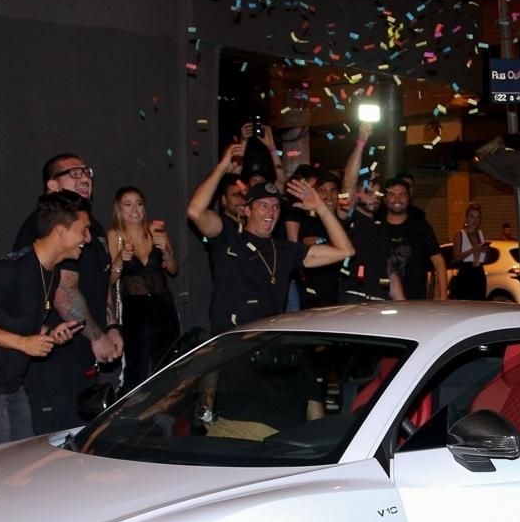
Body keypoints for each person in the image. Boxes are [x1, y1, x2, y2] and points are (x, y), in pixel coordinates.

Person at [0, 191, 88, 445]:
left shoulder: (50, 273)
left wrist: (49, 333)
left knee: (20, 464)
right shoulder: (9, 269)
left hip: (11, 385)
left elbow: (15, 319)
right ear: (60, 231)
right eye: (83, 230)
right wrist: (24, 344)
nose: (86, 238)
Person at [187, 142, 355, 333]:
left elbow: (346, 251)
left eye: (275, 207)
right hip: (230, 342)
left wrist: (320, 208)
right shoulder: (229, 237)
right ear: (248, 210)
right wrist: (222, 168)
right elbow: (195, 211)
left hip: (266, 343)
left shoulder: (284, 250)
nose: (271, 212)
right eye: (263, 205)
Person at [12, 153, 120, 432]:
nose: (84, 177)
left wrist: (111, 327)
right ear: (52, 185)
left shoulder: (91, 228)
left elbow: (103, 280)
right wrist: (97, 336)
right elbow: (63, 290)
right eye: (73, 173)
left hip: (83, 355)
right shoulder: (50, 228)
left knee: (82, 440)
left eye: (87, 172)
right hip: (54, 358)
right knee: (53, 445)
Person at [108, 186, 181, 392]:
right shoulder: (115, 235)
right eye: (128, 204)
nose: (135, 209)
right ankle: (131, 418)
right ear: (119, 209)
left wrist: (167, 254)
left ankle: (168, 415)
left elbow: (173, 270)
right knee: (135, 369)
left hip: (163, 304)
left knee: (168, 366)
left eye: (139, 204)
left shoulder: (156, 230)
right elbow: (110, 280)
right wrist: (120, 259)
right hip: (134, 309)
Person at [382, 177, 447, 300]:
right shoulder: (376, 227)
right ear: (385, 199)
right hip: (382, 301)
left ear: (409, 198)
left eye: (402, 194)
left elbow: (438, 261)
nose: (397, 199)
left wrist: (443, 297)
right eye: (392, 194)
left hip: (416, 302)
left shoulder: (421, 226)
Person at [297, 170, 347, 308]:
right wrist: (330, 243)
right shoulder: (311, 219)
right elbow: (309, 242)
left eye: (332, 191)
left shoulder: (345, 220)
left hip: (342, 286)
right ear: (316, 194)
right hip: (316, 284)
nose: (328, 196)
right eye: (323, 191)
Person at [449, 203, 489, 300]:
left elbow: (486, 259)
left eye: (477, 217)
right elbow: (456, 257)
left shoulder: (480, 233)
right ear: (467, 218)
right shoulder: (460, 234)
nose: (474, 220)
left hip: (479, 274)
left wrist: (486, 251)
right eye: (472, 216)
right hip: (466, 274)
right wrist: (472, 250)